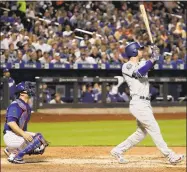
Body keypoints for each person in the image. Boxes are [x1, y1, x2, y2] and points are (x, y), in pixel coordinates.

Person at [110, 42, 184, 165]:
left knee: (141, 133)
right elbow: (139, 73)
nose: (141, 51)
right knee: (154, 128)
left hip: (145, 103)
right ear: (133, 51)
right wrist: (152, 58)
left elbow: (152, 65)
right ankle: (170, 155)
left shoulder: (143, 62)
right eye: (139, 49)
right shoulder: (127, 66)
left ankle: (118, 150)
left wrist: (156, 55)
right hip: (138, 103)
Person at [3, 81, 48, 164]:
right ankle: (17, 157)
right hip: (10, 136)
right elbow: (11, 123)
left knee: (40, 139)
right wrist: (24, 134)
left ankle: (12, 150)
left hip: (15, 135)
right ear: (22, 93)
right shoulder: (16, 105)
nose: (31, 90)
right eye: (28, 88)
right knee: (38, 141)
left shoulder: (25, 105)